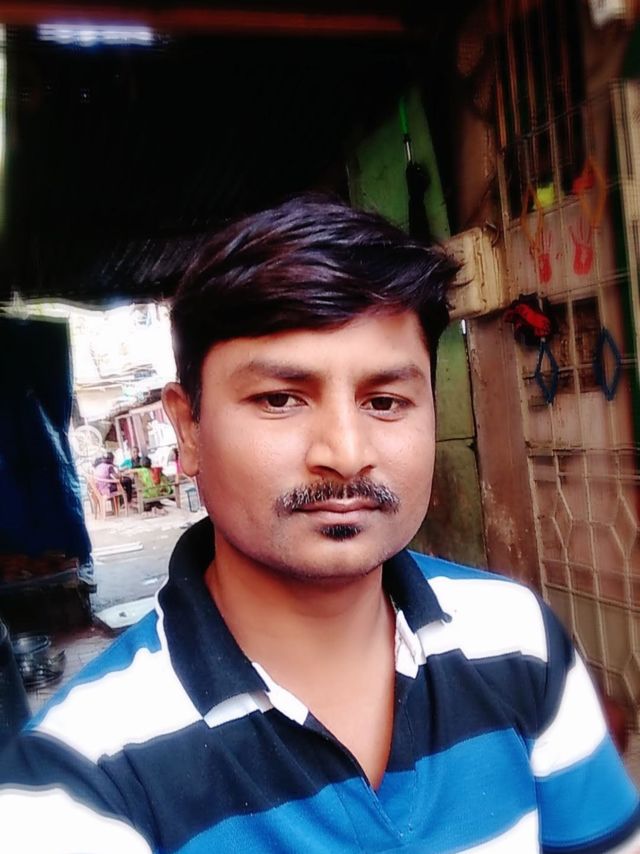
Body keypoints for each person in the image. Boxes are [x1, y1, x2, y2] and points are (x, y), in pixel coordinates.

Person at [0, 196, 638, 854]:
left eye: (384, 401)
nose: (346, 452)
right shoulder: (79, 780)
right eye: (280, 399)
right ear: (188, 428)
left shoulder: (518, 640)